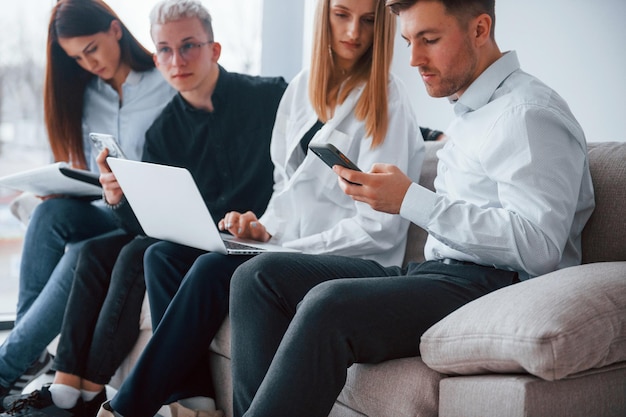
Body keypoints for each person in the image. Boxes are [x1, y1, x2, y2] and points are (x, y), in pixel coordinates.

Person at [228, 0, 597, 416]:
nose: (414, 59)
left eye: (429, 40)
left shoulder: (529, 113)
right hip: (435, 272)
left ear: (480, 29)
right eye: (408, 41)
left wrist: (409, 200)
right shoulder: (470, 111)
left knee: (328, 305)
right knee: (259, 277)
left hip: (490, 285)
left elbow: (540, 245)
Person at [96, 0, 424, 416]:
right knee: (162, 256)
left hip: (351, 258)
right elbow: (285, 190)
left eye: (368, 21)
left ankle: (124, 409)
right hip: (292, 249)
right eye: (342, 15)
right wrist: (262, 229)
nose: (354, 33)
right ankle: (195, 403)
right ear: (324, 17)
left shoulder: (387, 102)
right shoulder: (301, 91)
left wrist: (289, 248)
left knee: (212, 270)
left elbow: (381, 230)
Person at [0, 0, 288, 416]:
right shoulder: (163, 133)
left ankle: (99, 397)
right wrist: (117, 197)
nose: (177, 60)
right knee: (150, 250)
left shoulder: (271, 96)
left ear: (215, 49)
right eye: (166, 51)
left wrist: (269, 221)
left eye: (189, 46)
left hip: (261, 239)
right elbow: (149, 222)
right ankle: (171, 398)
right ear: (156, 56)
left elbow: (315, 151)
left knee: (142, 254)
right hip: (195, 240)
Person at [0, 0, 175, 409]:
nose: (87, 63)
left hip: (147, 219)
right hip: (105, 208)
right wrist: (63, 185)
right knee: (48, 213)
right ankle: (28, 354)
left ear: (116, 30)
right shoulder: (86, 94)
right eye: (76, 57)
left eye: (91, 49)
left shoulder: (166, 82)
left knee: (82, 252)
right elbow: (89, 171)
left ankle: (9, 367)